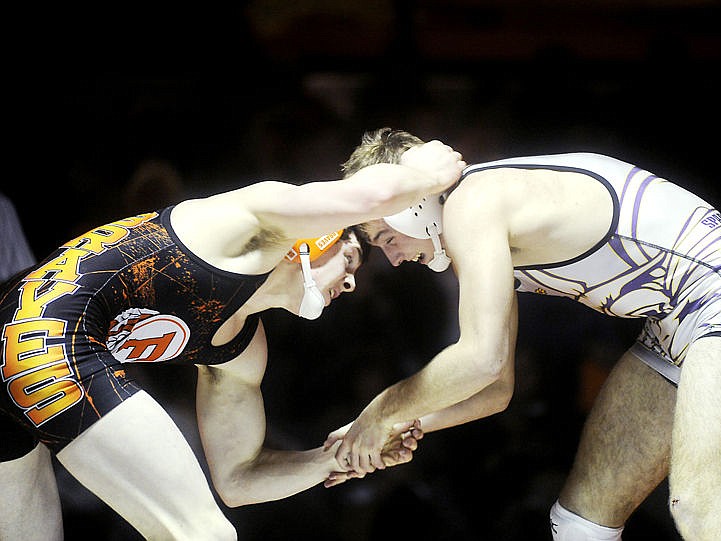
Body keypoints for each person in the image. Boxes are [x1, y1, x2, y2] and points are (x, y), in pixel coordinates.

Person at [327, 128, 721, 541]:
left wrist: (380, 411)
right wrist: (396, 426)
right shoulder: (478, 220)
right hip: (674, 323)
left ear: (412, 209)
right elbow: (496, 390)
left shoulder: (474, 202)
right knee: (579, 524)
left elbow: (479, 360)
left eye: (386, 238)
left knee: (698, 509)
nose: (392, 258)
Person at [0, 138, 465, 541]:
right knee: (202, 534)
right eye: (351, 258)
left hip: (21, 346)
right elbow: (371, 195)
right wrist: (429, 173)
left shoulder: (240, 347)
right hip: (44, 336)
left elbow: (239, 480)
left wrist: (338, 458)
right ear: (316, 239)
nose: (351, 284)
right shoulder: (248, 220)